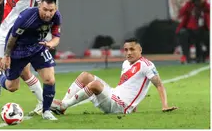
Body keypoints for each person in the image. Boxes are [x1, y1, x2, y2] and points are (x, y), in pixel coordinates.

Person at [50, 38, 178, 115]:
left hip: (120, 106)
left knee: (95, 85)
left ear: (140, 50)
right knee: (84, 76)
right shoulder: (126, 63)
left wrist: (164, 105)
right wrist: (134, 107)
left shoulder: (147, 65)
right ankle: (63, 105)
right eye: (126, 50)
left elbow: (159, 85)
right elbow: (129, 86)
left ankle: (64, 105)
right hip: (114, 95)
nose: (128, 53)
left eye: (132, 49)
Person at [0, 0, 61, 120]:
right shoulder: (27, 17)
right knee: (12, 87)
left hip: (37, 47)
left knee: (50, 79)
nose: (48, 14)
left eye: (51, 10)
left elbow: (56, 36)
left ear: (55, 9)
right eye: (45, 10)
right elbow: (12, 38)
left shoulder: (56, 17)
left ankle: (46, 111)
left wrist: (50, 44)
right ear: (40, 6)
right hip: (18, 49)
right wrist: (7, 56)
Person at [176, 0, 210, 64]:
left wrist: (203, 2)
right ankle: (186, 56)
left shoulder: (205, 6)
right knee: (183, 33)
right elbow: (180, 13)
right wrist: (190, 4)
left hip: (202, 30)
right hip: (191, 30)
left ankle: (204, 55)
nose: (197, 1)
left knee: (208, 36)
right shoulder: (190, 5)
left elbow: (209, 9)